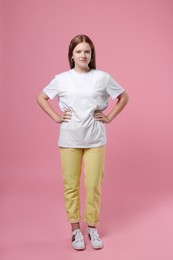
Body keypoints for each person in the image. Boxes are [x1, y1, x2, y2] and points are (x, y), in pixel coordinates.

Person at [37, 34, 129, 250]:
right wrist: (56, 117)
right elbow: (41, 97)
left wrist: (109, 117)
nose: (83, 55)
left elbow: (124, 97)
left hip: (95, 139)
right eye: (79, 51)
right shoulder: (61, 79)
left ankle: (92, 227)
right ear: (71, 55)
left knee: (94, 185)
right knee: (71, 185)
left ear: (92, 54)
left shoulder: (102, 77)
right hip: (69, 139)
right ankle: (75, 230)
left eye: (87, 51)